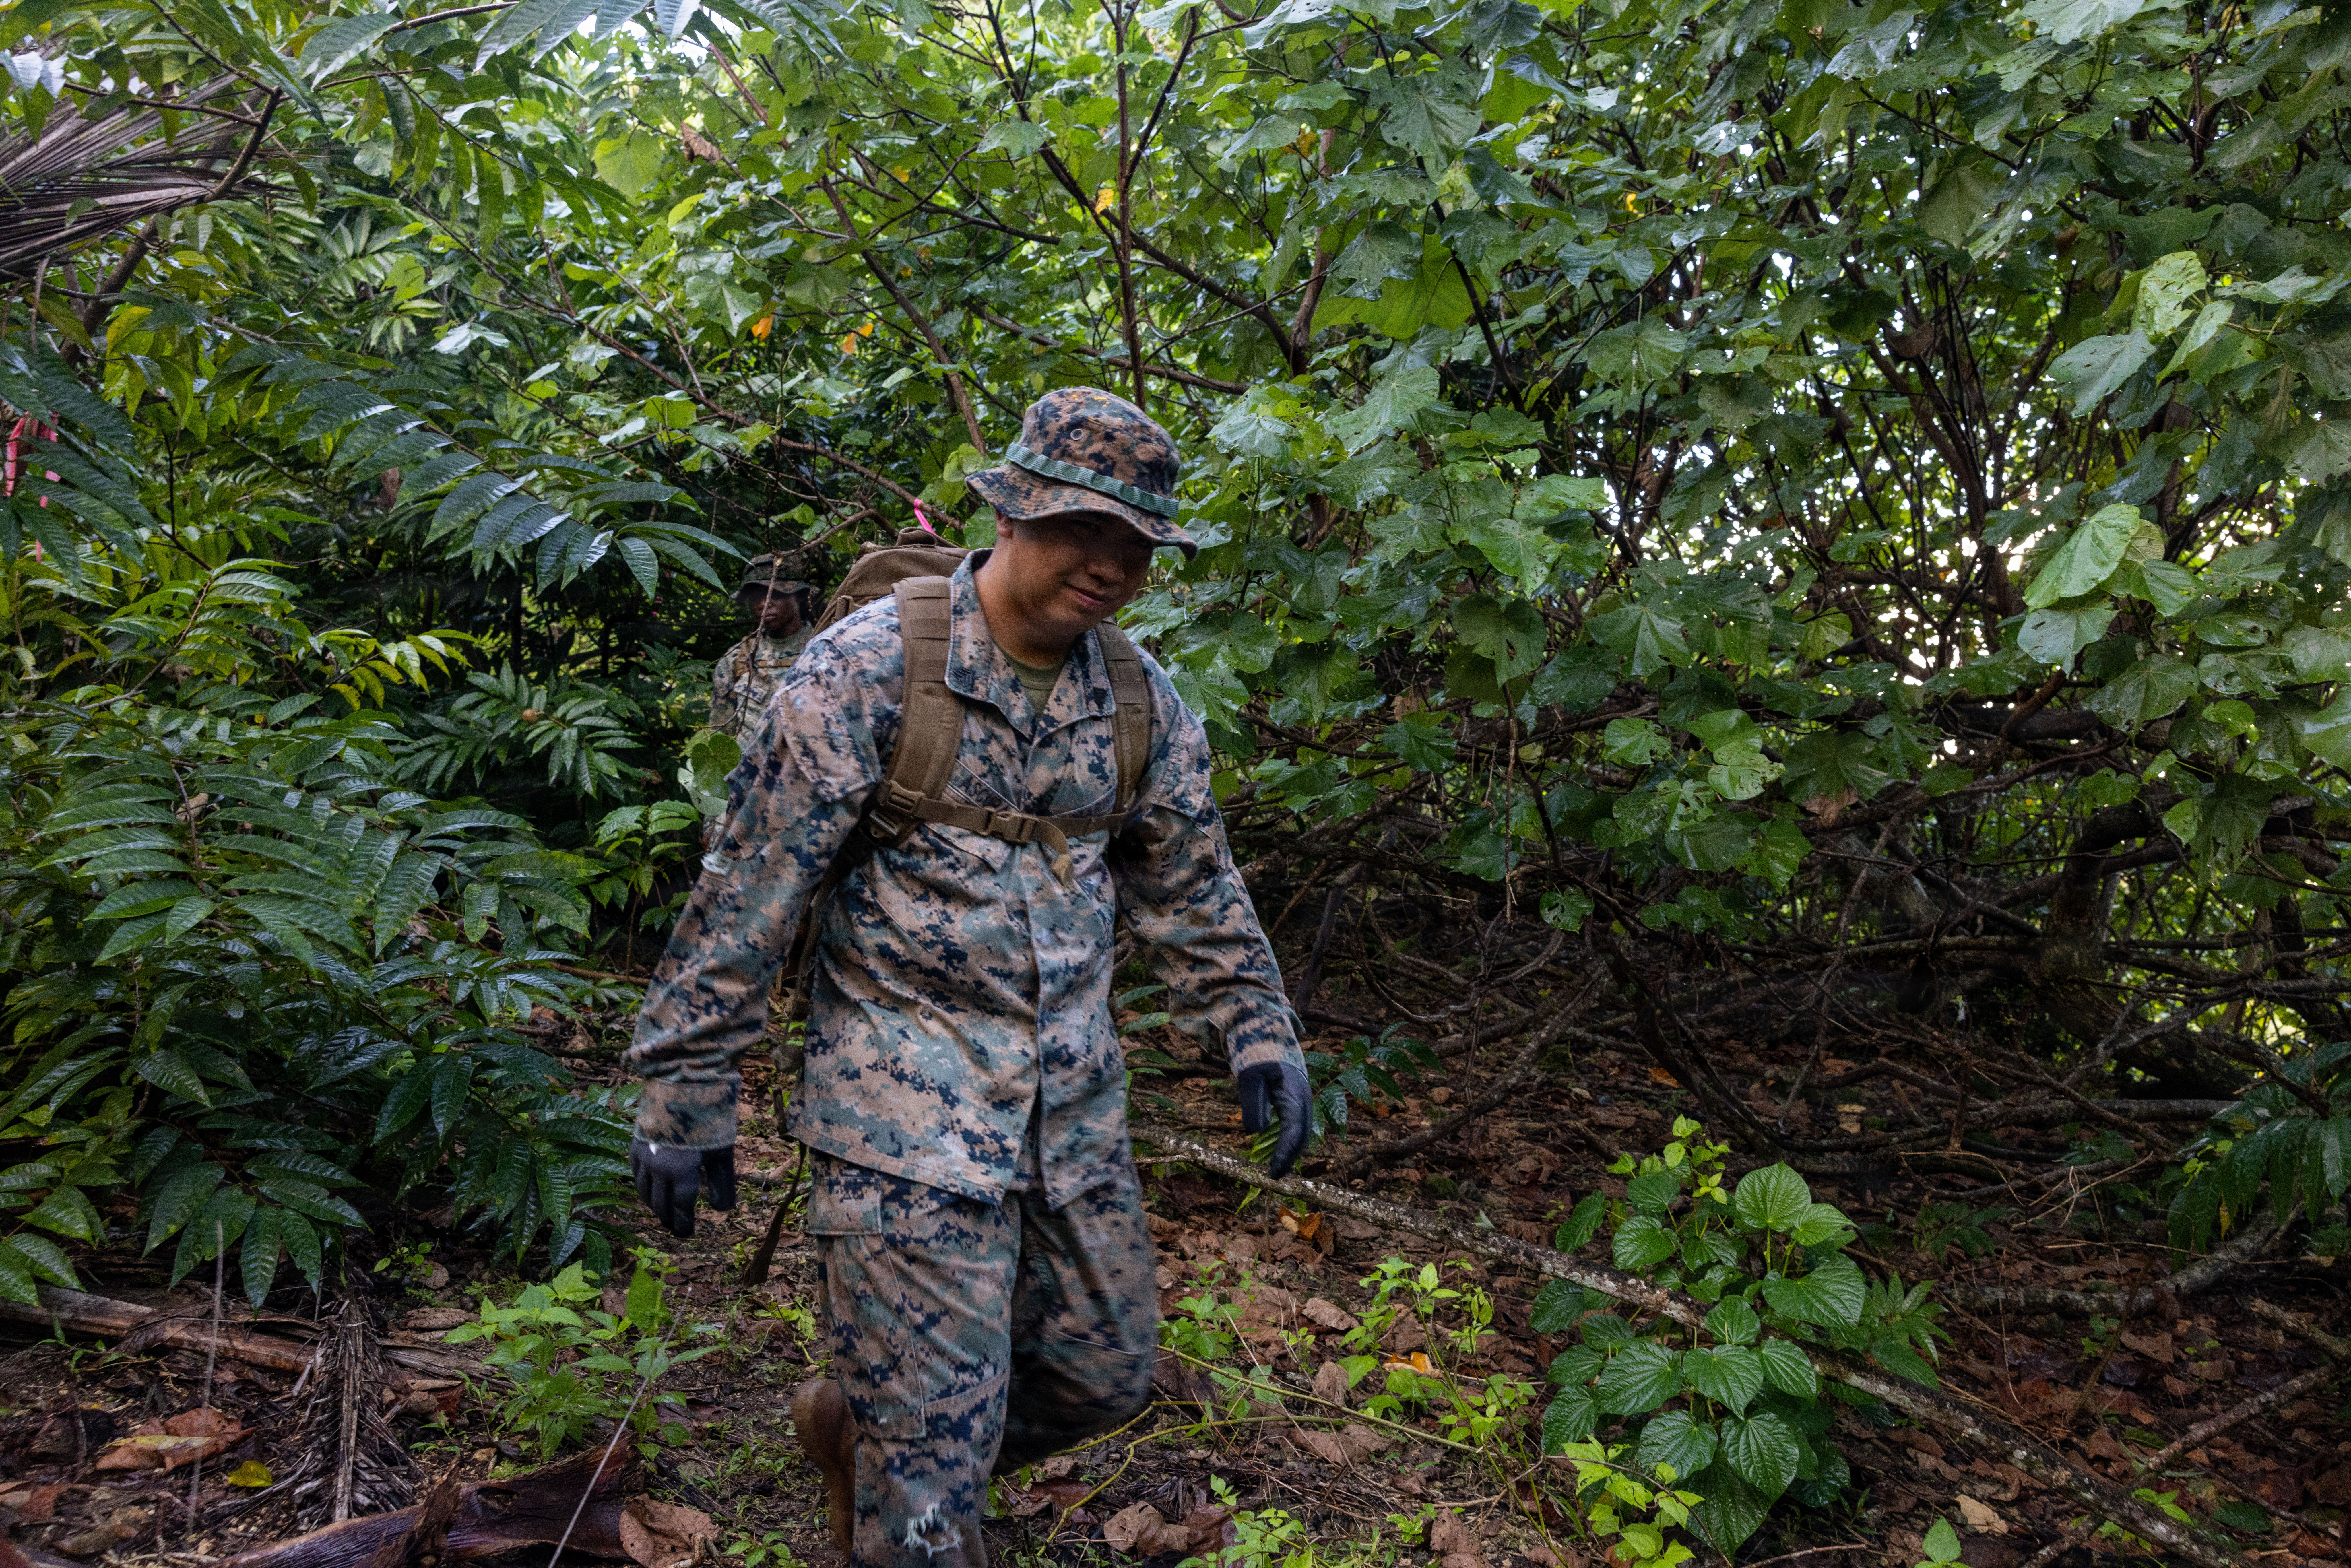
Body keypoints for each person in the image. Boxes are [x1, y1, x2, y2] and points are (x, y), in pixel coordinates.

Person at [621, 387, 1310, 1568]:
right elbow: (749, 888)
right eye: (1080, 529)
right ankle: (910, 1480)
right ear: (1012, 512)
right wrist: (684, 1088)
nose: (1107, 563)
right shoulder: (867, 671)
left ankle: (866, 1436)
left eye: (1135, 543)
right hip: (897, 1119)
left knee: (1105, 1372)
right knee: (934, 1506)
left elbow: (1193, 880)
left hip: (1070, 1119)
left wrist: (1257, 1029)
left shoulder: (1139, 703)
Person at [709, 554, 815, 744]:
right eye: (755, 597)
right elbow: (721, 736)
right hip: (749, 770)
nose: (763, 604)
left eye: (775, 593)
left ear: (798, 595)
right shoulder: (737, 658)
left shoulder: (825, 651)